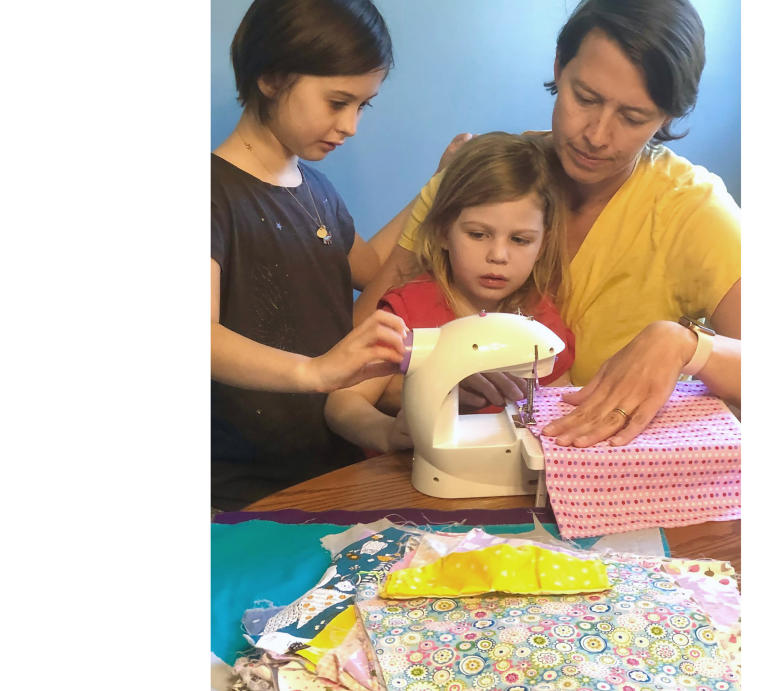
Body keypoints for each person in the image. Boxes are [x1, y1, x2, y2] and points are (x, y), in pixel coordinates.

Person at [356, 0, 741, 449]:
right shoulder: (480, 177)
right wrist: (435, 386)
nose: (597, 135)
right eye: (586, 98)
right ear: (559, 66)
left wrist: (686, 346)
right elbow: (355, 357)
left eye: (633, 118)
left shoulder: (693, 210)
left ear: (668, 116)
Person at [211, 0, 410, 510]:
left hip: (335, 473)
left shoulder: (317, 191)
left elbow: (377, 274)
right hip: (244, 494)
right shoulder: (210, 193)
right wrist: (315, 372)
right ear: (272, 77)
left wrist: (437, 192)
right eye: (337, 102)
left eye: (362, 106)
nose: (350, 126)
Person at [325, 133, 576, 453]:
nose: (498, 255)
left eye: (520, 240)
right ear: (443, 231)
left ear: (543, 243)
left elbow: (559, 406)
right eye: (478, 234)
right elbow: (343, 403)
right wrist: (386, 432)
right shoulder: (406, 312)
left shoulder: (541, 319)